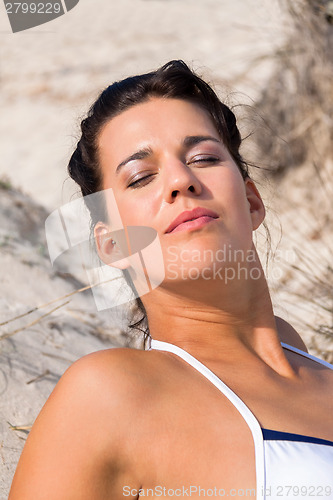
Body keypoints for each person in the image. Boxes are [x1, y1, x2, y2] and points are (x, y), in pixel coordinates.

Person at [9, 60, 333, 500]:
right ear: (113, 246)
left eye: (203, 158)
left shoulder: (317, 373)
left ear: (252, 201)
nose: (182, 180)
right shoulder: (111, 394)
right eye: (141, 178)